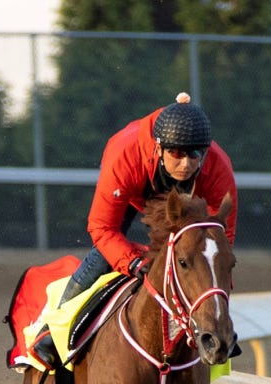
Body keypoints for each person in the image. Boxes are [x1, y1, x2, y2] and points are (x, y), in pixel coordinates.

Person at [31, 92, 238, 368]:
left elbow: (223, 242)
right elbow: (102, 228)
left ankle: (219, 328)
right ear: (159, 148)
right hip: (134, 187)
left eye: (194, 154)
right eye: (176, 154)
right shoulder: (125, 157)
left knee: (203, 260)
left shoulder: (218, 167)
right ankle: (52, 328)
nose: (186, 164)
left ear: (205, 152)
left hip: (187, 199)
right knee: (104, 255)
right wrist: (133, 263)